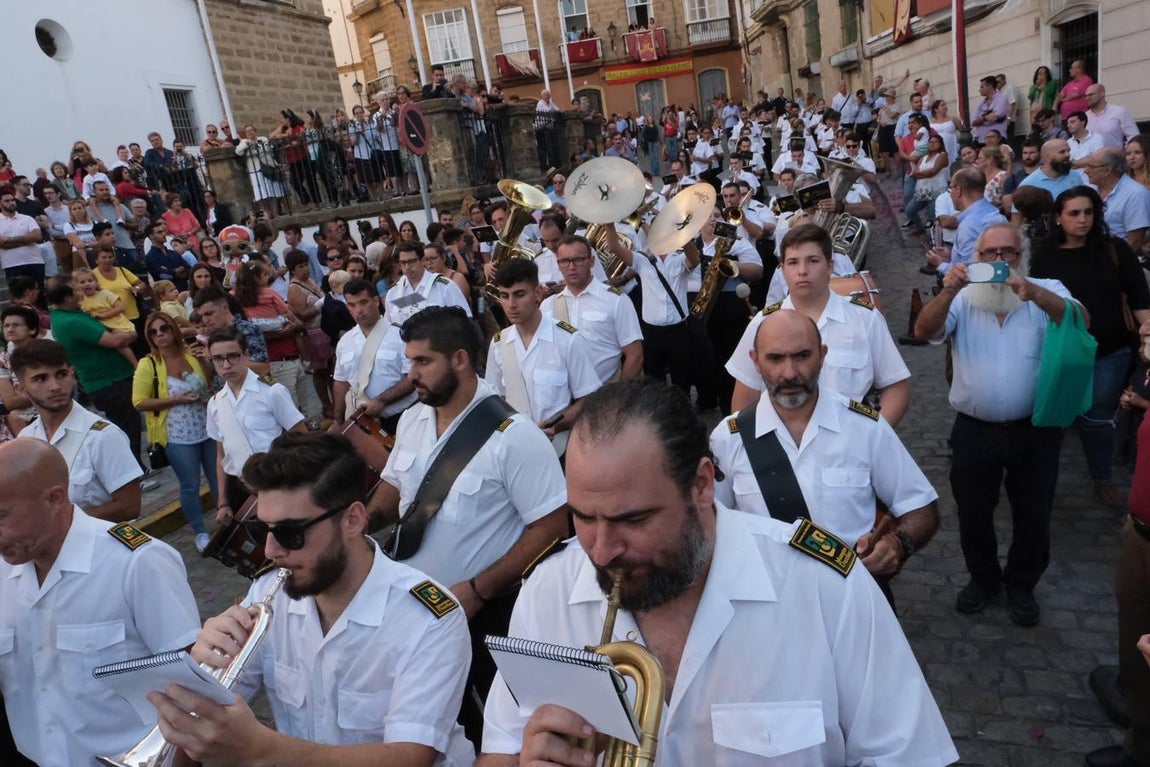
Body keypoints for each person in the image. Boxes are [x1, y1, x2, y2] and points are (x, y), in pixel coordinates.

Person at [475, 379, 959, 765]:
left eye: (633, 519)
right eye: (582, 516)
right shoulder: (546, 591)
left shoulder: (827, 587)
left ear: (702, 485)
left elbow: (908, 753)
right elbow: (499, 747)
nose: (601, 551)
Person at [148, 431, 475, 766]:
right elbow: (207, 718)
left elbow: (410, 757)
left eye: (291, 533)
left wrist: (262, 748)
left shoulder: (430, 619)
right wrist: (204, 673)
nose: (272, 551)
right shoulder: (268, 592)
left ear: (352, 519)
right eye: (262, 531)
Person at [366, 305, 569, 744]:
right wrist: (362, 521)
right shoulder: (411, 419)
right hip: (416, 607)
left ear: (459, 359)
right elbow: (394, 484)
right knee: (434, 718)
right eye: (410, 361)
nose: (411, 374)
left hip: (488, 610)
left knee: (500, 723)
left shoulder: (514, 436)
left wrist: (478, 590)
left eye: (423, 361)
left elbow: (553, 525)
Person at [0, 438, 200, 767]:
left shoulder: (137, 563)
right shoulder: (7, 569)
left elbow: (192, 695)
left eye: (2, 515)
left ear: (53, 499)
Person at [914, 223, 1075, 626]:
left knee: (1034, 512)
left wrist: (1034, 292)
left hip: (1035, 428)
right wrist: (948, 289)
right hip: (974, 428)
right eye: (990, 254)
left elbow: (1081, 321)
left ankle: (1021, 583)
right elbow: (923, 331)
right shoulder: (965, 296)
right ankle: (983, 579)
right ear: (976, 258)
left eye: (1009, 253)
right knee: (972, 512)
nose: (1001, 262)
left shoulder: (1047, 286)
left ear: (1022, 255)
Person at [713, 308, 938, 596]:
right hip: (767, 605)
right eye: (775, 358)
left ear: (822, 355)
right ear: (755, 362)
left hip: (852, 599)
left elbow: (921, 507)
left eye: (802, 356)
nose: (790, 373)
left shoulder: (864, 428)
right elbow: (706, 526)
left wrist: (898, 543)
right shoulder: (727, 439)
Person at [1029, 186, 1150, 507]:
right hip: (1065, 354)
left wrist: (1148, 325)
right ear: (1058, 218)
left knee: (1098, 416)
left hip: (1110, 350)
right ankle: (1042, 482)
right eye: (1074, 213)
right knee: (1056, 418)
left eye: (1088, 212)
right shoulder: (1044, 255)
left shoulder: (1114, 249)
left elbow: (1138, 294)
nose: (1082, 220)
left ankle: (1102, 477)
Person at [729, 224, 911, 425]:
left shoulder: (864, 318)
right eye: (793, 262)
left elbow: (896, 387)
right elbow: (744, 399)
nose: (802, 271)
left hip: (847, 442)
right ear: (782, 269)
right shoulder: (762, 324)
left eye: (813, 261)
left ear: (830, 267)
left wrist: (870, 438)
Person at [11, 339, 143, 520]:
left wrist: (60, 523)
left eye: (61, 374)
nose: (55, 386)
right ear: (22, 389)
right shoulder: (27, 439)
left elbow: (130, 507)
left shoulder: (102, 436)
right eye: (41, 378)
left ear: (72, 376)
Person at [485, 258, 600, 453]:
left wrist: (557, 426)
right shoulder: (498, 344)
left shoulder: (568, 339)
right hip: (515, 450)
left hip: (560, 449)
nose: (511, 304)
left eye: (519, 294)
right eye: (504, 296)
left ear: (537, 293)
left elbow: (589, 398)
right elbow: (494, 398)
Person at [133, 311, 218, 552]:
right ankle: (200, 532)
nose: (159, 334)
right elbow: (138, 402)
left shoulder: (190, 354)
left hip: (206, 426)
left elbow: (206, 384)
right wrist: (175, 400)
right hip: (176, 434)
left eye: (164, 328)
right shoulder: (148, 364)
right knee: (190, 485)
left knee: (217, 478)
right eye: (153, 332)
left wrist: (204, 363)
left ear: (174, 329)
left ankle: (226, 522)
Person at [205, 328, 306, 526]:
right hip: (241, 488)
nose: (226, 365)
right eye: (218, 359)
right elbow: (221, 456)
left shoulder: (271, 391)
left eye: (232, 356)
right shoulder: (215, 403)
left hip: (277, 480)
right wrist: (223, 502)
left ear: (246, 355)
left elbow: (301, 436)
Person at [540, 236, 643, 385]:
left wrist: (618, 397)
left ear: (592, 261)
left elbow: (635, 355)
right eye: (565, 261)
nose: (571, 267)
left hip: (604, 395)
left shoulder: (616, 300)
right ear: (558, 264)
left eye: (578, 260)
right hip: (562, 397)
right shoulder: (548, 305)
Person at [331, 278, 415, 432]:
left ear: (376, 301)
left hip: (401, 417)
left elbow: (413, 377)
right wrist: (338, 420)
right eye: (352, 305)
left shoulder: (401, 334)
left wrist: (381, 401)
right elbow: (341, 382)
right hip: (363, 422)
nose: (358, 310)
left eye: (363, 302)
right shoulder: (345, 342)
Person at [927, 168, 1008, 275]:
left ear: (958, 190)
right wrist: (953, 255)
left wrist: (941, 264)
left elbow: (970, 274)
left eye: (950, 188)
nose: (950, 194)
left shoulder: (969, 225)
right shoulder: (996, 214)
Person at [384, 240, 472, 324]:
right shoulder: (393, 293)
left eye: (411, 261)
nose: (407, 267)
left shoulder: (444, 286)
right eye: (403, 263)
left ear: (422, 261)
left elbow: (464, 319)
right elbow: (389, 327)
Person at [1083, 147, 1150, 254]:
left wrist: (1112, 266)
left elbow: (1134, 242)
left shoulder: (1136, 194)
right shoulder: (1088, 189)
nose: (1085, 170)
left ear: (1107, 169)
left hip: (1116, 262)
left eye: (1091, 166)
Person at [0, 183, 45, 291]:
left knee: (39, 295)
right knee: (19, 299)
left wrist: (11, 239)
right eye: (7, 201)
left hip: (34, 262)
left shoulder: (27, 218)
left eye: (12, 200)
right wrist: (27, 240)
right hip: (12, 265)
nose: (11, 203)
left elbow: (37, 236)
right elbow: (3, 244)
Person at [1084, 83, 1140, 151]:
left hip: (1115, 159)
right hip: (1090, 160)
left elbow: (1133, 135)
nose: (1087, 98)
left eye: (1091, 95)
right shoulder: (1085, 117)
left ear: (1102, 93)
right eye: (1086, 96)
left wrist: (1126, 152)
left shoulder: (1119, 111)